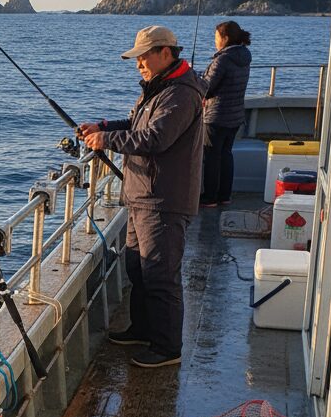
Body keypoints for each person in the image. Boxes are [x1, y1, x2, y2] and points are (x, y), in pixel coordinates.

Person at [79, 25, 204, 369]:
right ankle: (143, 329)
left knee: (160, 275)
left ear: (165, 52)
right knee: (138, 267)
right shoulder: (158, 88)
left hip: (163, 199)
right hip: (141, 195)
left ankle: (167, 348)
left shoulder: (181, 93)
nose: (138, 64)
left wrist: (107, 141)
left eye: (143, 57)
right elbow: (136, 125)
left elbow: (155, 139)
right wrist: (104, 127)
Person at [199, 20, 252, 206]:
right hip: (235, 116)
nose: (215, 41)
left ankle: (210, 197)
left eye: (216, 37)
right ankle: (224, 196)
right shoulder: (244, 56)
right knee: (226, 155)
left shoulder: (222, 60)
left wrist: (195, 78)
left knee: (211, 157)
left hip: (216, 115)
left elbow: (207, 87)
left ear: (225, 38)